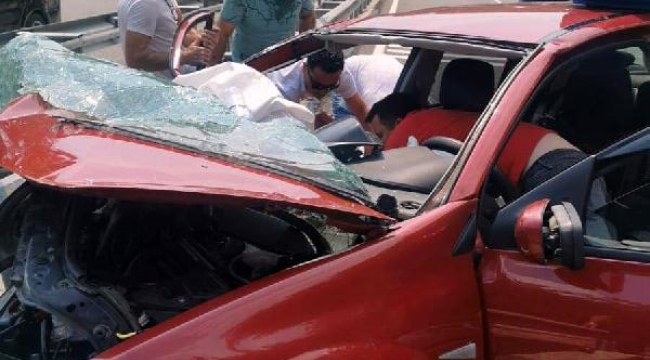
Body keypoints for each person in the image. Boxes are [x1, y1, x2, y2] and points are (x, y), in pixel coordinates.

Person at [118, 0, 220, 79]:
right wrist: (183, 57)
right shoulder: (145, 3)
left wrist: (203, 39)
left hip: (181, 77)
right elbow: (135, 59)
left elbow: (178, 27)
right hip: (163, 88)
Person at [268, 49, 369, 128]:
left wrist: (371, 143)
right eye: (317, 86)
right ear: (304, 68)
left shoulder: (341, 75)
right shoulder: (285, 89)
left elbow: (360, 109)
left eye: (331, 87)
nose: (323, 92)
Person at [211, 0, 316, 63]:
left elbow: (308, 16)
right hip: (247, 66)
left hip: (285, 64)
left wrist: (304, 56)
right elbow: (222, 33)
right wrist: (212, 68)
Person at [332, 54, 404, 121]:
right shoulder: (373, 98)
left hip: (379, 69)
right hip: (347, 73)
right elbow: (363, 115)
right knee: (345, 126)